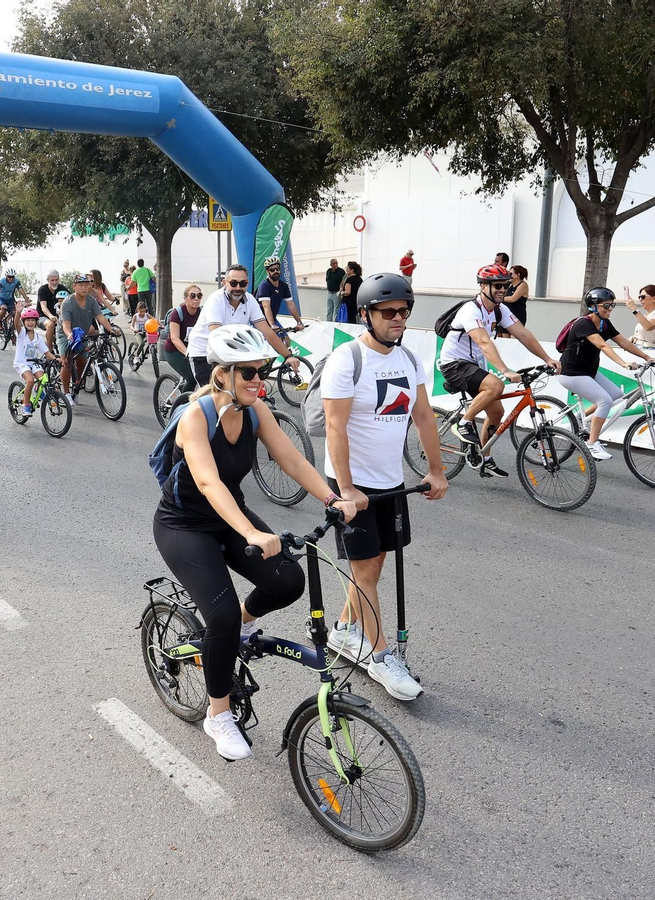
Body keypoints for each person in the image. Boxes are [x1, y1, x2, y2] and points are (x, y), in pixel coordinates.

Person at [154, 324, 360, 760]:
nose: (257, 380)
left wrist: (332, 498)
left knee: (287, 580)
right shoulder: (196, 418)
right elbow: (208, 483)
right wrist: (250, 532)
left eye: (261, 371)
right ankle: (218, 714)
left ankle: (242, 624)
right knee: (222, 614)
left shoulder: (254, 410)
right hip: (183, 526)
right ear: (221, 374)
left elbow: (291, 459)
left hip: (230, 516)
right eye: (247, 372)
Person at [321, 274, 449, 701]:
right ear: (366, 315)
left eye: (404, 311)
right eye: (388, 311)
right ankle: (379, 655)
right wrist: (345, 489)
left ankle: (344, 629)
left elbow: (424, 416)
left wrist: (436, 470)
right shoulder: (347, 359)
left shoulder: (409, 359)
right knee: (363, 571)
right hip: (351, 483)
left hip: (390, 482)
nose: (399, 318)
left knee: (373, 565)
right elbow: (335, 427)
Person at [440, 264, 560, 476]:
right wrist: (505, 371)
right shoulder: (470, 310)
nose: (502, 290)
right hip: (454, 364)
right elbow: (484, 342)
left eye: (505, 285)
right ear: (483, 286)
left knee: (497, 413)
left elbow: (523, 334)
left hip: (474, 365)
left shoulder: (499, 309)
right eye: (497, 286)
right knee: (496, 386)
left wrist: (547, 358)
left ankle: (484, 459)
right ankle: (463, 423)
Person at [557, 287, 655, 460]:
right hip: (570, 373)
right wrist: (623, 363)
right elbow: (603, 345)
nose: (610, 309)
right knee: (605, 401)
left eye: (612, 305)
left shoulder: (604, 323)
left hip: (588, 372)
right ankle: (592, 443)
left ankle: (579, 418)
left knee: (616, 395)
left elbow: (624, 342)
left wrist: (647, 357)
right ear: (593, 306)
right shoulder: (584, 324)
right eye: (606, 306)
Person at [187, 265, 299, 387]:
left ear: (247, 284)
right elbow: (217, 335)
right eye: (233, 283)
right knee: (214, 392)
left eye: (242, 284)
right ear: (224, 283)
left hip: (229, 351)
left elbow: (267, 331)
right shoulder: (215, 300)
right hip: (203, 352)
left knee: (241, 390)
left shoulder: (250, 301)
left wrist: (288, 356)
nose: (238, 288)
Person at [47, 273, 118, 403]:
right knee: (66, 361)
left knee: (82, 361)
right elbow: (66, 325)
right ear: (74, 286)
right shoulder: (68, 302)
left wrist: (110, 329)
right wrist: (69, 335)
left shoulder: (91, 301)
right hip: (65, 334)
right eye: (81, 285)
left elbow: (100, 317)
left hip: (82, 334)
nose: (84, 288)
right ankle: (66, 394)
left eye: (86, 285)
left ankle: (77, 384)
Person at [11, 308, 55, 417]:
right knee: (30, 380)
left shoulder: (38, 337)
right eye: (28, 320)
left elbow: (46, 352)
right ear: (24, 322)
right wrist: (18, 313)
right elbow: (16, 324)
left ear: (36, 322)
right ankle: (26, 405)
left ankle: (38, 389)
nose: (30, 322)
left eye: (32, 320)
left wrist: (55, 359)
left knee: (43, 378)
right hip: (22, 363)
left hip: (34, 363)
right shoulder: (21, 333)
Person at [163, 285, 203, 390]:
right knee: (192, 379)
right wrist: (187, 353)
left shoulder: (202, 313)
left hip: (193, 350)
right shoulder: (177, 313)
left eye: (199, 296)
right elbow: (174, 338)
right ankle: (184, 400)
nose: (196, 298)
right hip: (174, 351)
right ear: (185, 298)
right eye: (193, 296)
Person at [255, 256, 303, 331]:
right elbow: (266, 306)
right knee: (272, 337)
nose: (275, 271)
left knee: (286, 338)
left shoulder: (283, 285)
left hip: (272, 319)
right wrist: (272, 325)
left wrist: (299, 322)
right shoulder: (264, 286)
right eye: (272, 270)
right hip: (260, 320)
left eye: (278, 269)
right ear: (267, 272)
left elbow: (291, 304)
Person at [624, 284, 655, 350]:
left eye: (643, 297)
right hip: (637, 348)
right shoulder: (646, 315)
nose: (640, 300)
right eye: (639, 297)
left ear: (654, 298)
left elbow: (648, 326)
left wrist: (634, 309)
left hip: (648, 349)